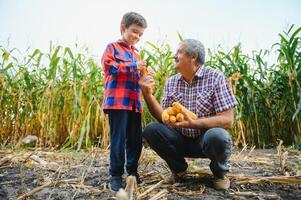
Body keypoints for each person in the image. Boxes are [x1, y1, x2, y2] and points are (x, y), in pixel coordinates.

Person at [138, 39, 237, 190]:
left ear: (193, 57)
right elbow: (163, 117)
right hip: (179, 139)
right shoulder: (171, 82)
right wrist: (147, 94)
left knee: (218, 136)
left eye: (179, 52)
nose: (174, 55)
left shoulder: (215, 78)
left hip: (205, 140)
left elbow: (227, 120)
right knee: (152, 130)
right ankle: (179, 170)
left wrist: (193, 123)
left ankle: (220, 173)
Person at [101, 11, 147, 192]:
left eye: (140, 34)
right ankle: (115, 175)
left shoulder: (137, 54)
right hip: (117, 102)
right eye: (134, 31)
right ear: (123, 28)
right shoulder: (112, 47)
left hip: (134, 102)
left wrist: (145, 76)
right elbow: (109, 67)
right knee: (118, 139)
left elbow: (137, 77)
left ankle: (132, 172)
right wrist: (134, 67)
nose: (137, 37)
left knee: (135, 140)